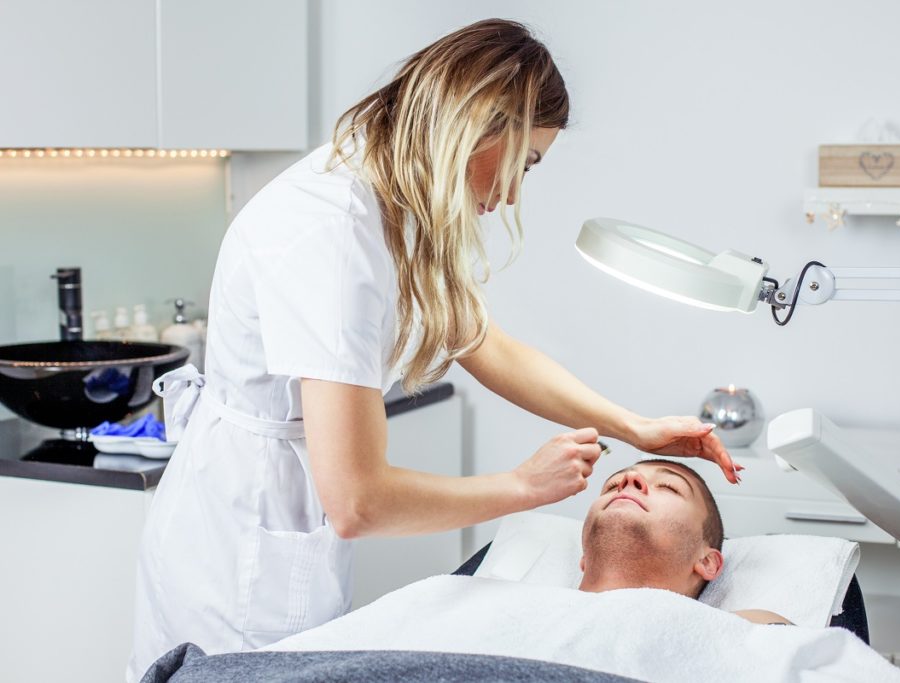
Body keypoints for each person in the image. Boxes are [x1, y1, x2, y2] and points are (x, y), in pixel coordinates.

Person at [127, 18, 741, 681]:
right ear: (477, 121)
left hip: (283, 528)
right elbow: (359, 500)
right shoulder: (332, 235)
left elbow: (481, 341)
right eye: (524, 164)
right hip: (237, 557)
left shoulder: (395, 193)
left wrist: (636, 426)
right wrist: (520, 487)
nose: (510, 193)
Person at [580, 459, 790, 625]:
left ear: (707, 562)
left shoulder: (732, 631)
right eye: (613, 486)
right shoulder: (547, 604)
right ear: (584, 558)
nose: (629, 479)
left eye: (669, 487)